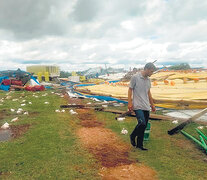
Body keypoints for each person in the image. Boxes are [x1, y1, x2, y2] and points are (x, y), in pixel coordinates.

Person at [128, 62, 156, 151]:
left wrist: (152, 104)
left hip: (146, 106)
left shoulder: (148, 80)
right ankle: (132, 135)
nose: (151, 74)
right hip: (137, 105)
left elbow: (148, 93)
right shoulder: (135, 77)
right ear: (146, 69)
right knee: (142, 123)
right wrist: (129, 103)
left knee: (143, 126)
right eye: (151, 71)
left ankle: (140, 145)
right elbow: (130, 89)